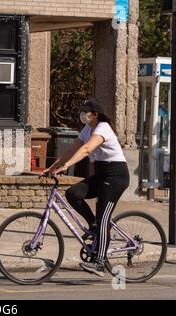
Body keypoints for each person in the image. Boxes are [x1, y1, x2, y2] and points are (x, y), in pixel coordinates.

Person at [43, 99, 130, 277]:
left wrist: (66, 166)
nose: (82, 114)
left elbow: (87, 149)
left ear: (95, 114)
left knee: (104, 217)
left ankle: (99, 262)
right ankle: (94, 226)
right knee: (73, 193)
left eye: (86, 111)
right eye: (82, 111)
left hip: (116, 176)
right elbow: (72, 149)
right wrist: (53, 166)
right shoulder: (87, 128)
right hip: (101, 175)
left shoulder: (102, 127)